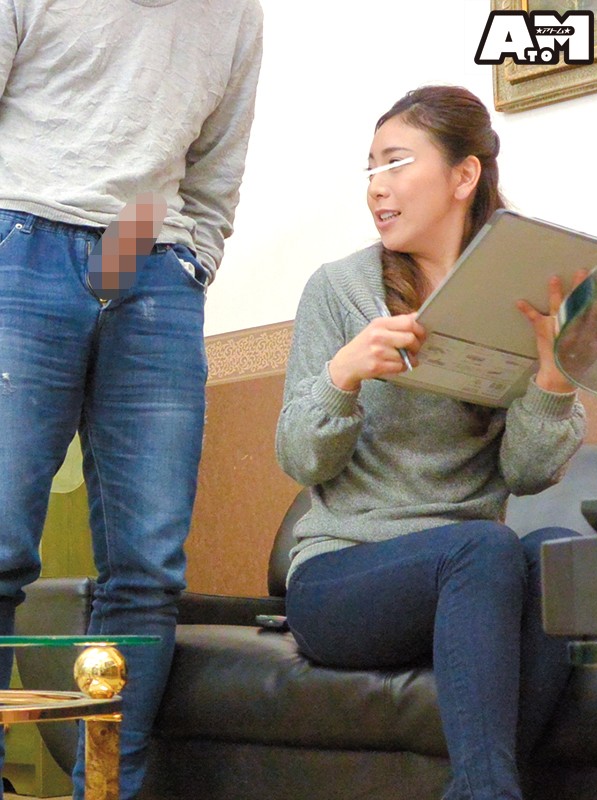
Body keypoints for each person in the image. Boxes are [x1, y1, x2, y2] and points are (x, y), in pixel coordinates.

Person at [275, 85, 586, 800]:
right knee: (486, 548)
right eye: (370, 169)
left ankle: (482, 786)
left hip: (474, 582)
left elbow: (527, 474)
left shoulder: (515, 296)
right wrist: (343, 375)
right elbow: (298, 458)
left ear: (464, 175)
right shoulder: (341, 290)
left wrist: (551, 379)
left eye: (395, 163)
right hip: (343, 578)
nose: (376, 188)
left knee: (557, 557)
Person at [0, 1, 262, 798]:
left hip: (151, 256)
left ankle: (108, 791)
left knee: (148, 570)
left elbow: (216, 165)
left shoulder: (235, 14)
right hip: (22, 234)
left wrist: (191, 263)